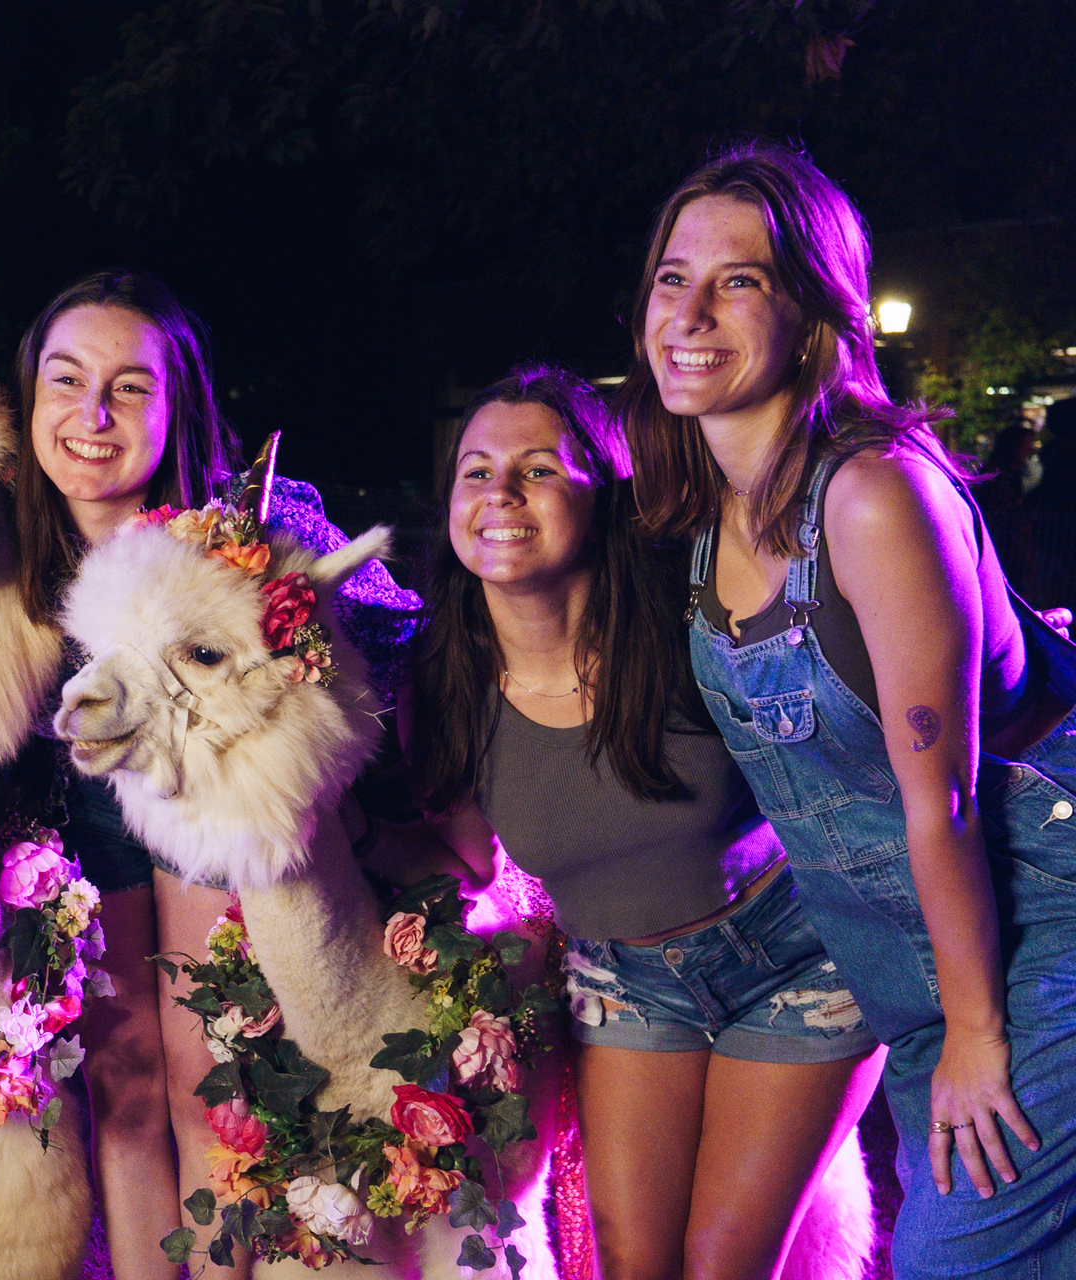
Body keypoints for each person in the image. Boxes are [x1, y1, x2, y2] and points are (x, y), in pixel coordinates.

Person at [622, 140, 1076, 1276]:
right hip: (911, 970)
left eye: (740, 280)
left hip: (1032, 936)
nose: (691, 310)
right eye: (674, 276)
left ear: (815, 310)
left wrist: (978, 1033)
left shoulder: (873, 495)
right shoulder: (701, 523)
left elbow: (948, 799)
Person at [405, 363, 883, 1279]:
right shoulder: (443, 680)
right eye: (476, 470)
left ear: (603, 488)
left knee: (724, 1264)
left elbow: (853, 701)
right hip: (627, 984)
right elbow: (461, 857)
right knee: (633, 1264)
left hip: (798, 961)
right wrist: (319, 837)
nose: (501, 493)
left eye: (538, 469)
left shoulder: (691, 617)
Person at [0, 268, 420, 1277]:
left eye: (130, 387)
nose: (92, 414)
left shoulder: (248, 529)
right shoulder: (0, 536)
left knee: (211, 1077)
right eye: (65, 379)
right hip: (72, 839)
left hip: (203, 822)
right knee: (124, 1083)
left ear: (177, 401)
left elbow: (394, 638)